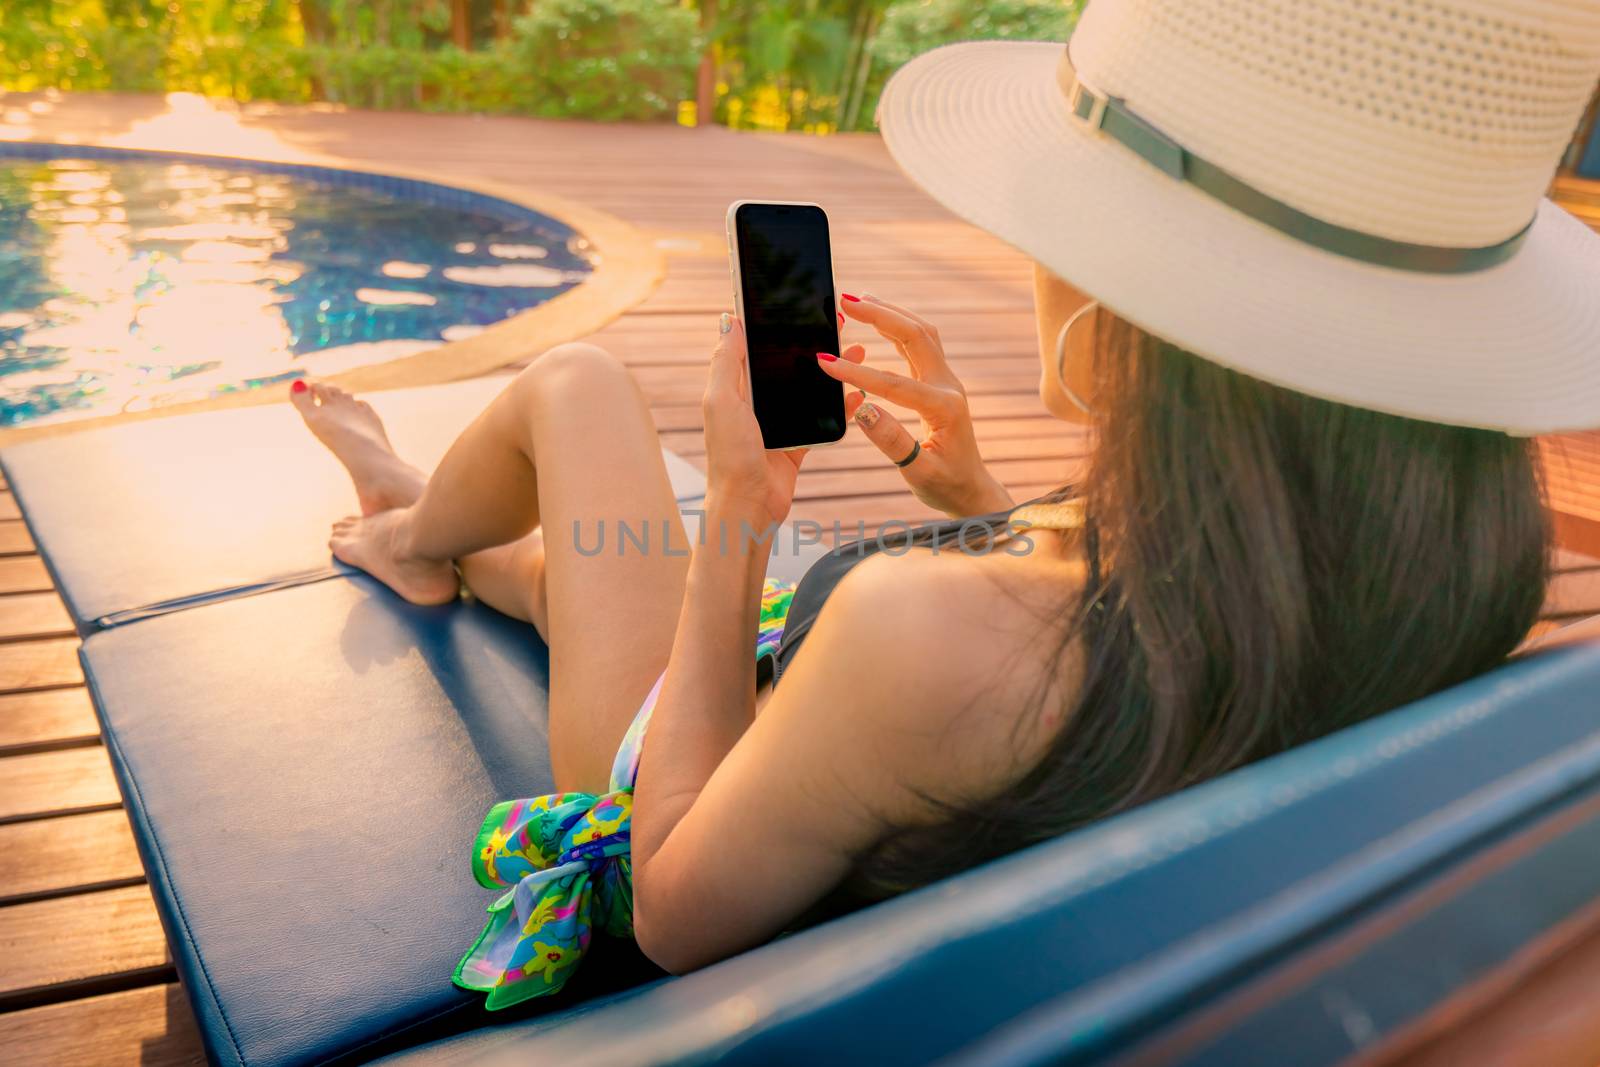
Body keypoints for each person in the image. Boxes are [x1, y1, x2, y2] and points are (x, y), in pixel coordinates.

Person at [289, 0, 1600, 1008]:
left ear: (1101, 320)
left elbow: (677, 913)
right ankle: (451, 542)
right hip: (858, 743)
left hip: (709, 785)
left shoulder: (924, 641)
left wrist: (744, 514)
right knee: (572, 561)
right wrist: (972, 495)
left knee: (574, 388)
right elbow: (1141, 628)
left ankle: (412, 531)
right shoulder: (1468, 568)